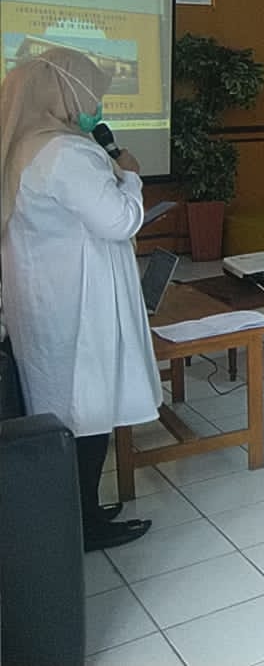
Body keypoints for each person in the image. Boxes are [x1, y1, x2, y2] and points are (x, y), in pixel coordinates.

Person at [0, 48, 163, 551]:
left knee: (66, 414)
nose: (96, 107)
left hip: (46, 303)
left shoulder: (24, 147)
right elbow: (119, 220)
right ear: (65, 93)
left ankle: (77, 511)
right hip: (77, 306)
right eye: (92, 95)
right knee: (86, 414)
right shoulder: (66, 153)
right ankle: (83, 525)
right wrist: (130, 175)